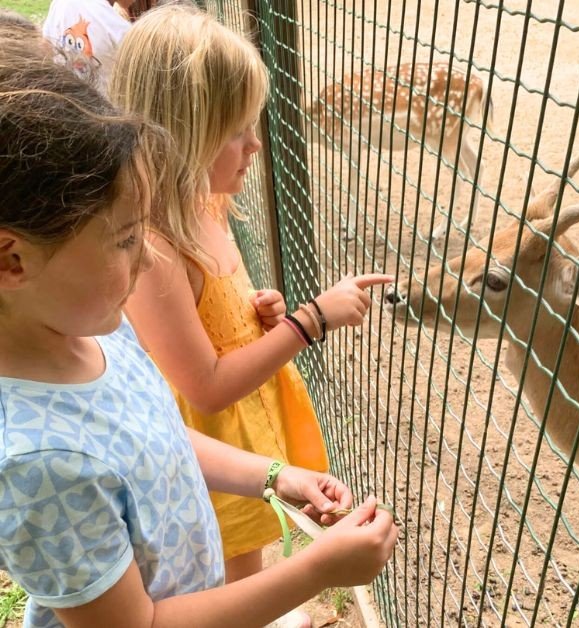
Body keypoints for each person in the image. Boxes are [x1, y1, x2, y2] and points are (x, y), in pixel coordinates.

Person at [0, 46, 398, 627]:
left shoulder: (97, 336)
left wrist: (272, 476)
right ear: (12, 260)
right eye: (124, 240)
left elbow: (157, 436)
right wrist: (315, 572)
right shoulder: (41, 466)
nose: (145, 260)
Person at [110, 6, 393, 625]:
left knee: (249, 544)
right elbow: (207, 388)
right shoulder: (156, 245)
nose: (255, 145)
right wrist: (310, 321)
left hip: (243, 431)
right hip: (208, 441)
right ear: (184, 134)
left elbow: (210, 312)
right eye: (237, 130)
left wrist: (256, 311)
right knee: (228, 560)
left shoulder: (206, 205)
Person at [42, 0, 134, 91]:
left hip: (65, 94)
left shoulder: (60, 4)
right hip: (101, 98)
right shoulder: (116, 27)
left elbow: (46, 48)